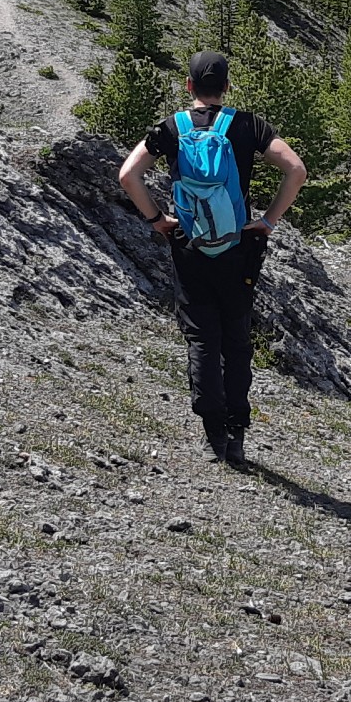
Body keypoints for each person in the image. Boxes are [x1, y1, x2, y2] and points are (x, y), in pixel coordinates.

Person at [116, 49, 307, 464]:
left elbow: (128, 175)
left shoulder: (172, 127)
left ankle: (213, 435)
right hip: (237, 247)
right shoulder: (247, 125)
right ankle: (237, 434)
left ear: (189, 86)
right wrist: (268, 221)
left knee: (202, 339)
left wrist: (155, 218)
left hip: (191, 245)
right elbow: (296, 169)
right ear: (226, 86)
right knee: (236, 340)